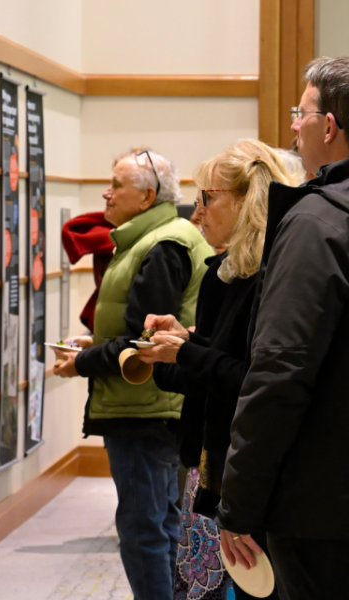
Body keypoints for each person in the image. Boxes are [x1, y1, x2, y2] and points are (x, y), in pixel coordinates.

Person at [214, 56, 349, 600]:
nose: (292, 125)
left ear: (330, 126)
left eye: (301, 112)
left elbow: (280, 370)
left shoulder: (319, 222)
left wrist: (239, 502)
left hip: (325, 512)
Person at [137, 140, 303, 600]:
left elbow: (254, 382)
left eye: (208, 198)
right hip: (207, 466)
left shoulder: (275, 276)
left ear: (248, 201)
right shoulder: (221, 272)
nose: (197, 212)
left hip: (248, 473)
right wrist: (170, 349)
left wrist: (187, 351)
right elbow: (208, 372)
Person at [54, 148, 212, 600]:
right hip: (152, 405)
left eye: (117, 184)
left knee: (145, 532)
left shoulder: (162, 245)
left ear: (146, 197)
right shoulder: (160, 236)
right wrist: (92, 345)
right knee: (161, 523)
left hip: (144, 409)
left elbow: (142, 343)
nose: (106, 192)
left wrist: (82, 362)